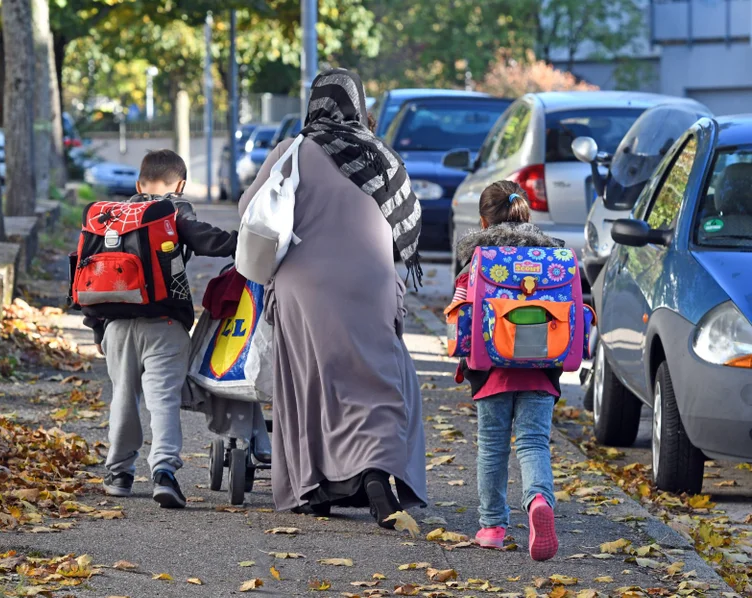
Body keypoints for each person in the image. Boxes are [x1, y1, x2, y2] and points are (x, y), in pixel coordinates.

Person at [237, 69, 427, 526]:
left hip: (306, 287)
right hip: (373, 283)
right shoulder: (381, 156)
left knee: (312, 382)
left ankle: (315, 486)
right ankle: (378, 474)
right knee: (377, 380)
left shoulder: (294, 151)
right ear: (358, 107)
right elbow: (409, 220)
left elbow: (250, 210)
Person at [84, 149, 238, 508]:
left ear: (138, 184)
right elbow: (208, 240)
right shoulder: (174, 210)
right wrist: (247, 241)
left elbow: (90, 273)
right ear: (181, 185)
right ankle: (164, 473)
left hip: (117, 324)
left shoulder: (110, 218)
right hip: (166, 325)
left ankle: (119, 474)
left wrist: (97, 330)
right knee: (163, 400)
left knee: (124, 398)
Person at [451, 181, 561, 561]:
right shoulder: (553, 256)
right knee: (533, 443)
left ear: (483, 220)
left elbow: (460, 314)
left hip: (492, 370)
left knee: (493, 448)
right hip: (542, 368)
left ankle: (492, 526)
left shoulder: (478, 260)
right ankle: (537, 502)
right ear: (524, 213)